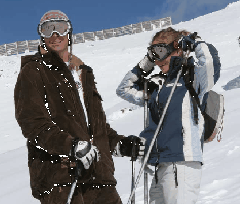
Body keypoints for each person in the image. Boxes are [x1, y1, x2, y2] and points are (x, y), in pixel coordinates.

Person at [14, 10, 145, 204]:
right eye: (47, 30)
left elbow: (96, 128)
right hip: (61, 178)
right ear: (41, 35)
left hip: (99, 177)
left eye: (60, 28)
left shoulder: (84, 73)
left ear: (69, 32)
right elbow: (33, 124)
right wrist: (71, 146)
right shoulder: (33, 71)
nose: (54, 35)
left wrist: (120, 144)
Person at [116, 27, 221, 204]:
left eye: (162, 50)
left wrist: (194, 43)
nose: (159, 58)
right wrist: (147, 64)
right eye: (154, 53)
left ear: (177, 48)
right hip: (159, 162)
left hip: (182, 161)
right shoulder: (156, 86)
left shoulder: (192, 78)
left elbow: (211, 64)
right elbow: (124, 89)